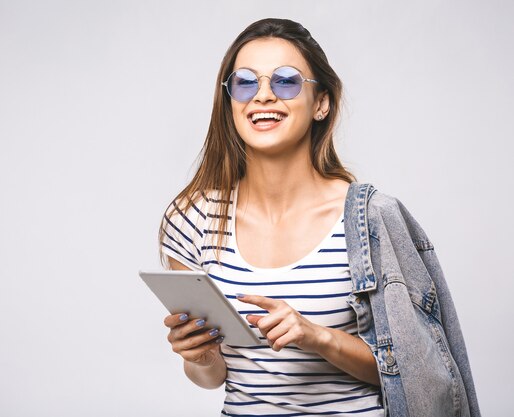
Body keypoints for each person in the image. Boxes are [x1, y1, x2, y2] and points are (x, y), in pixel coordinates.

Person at [158, 18, 480, 417]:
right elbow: (212, 377)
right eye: (244, 82)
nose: (262, 96)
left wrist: (316, 336)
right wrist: (200, 358)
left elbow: (417, 375)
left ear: (322, 103)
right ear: (229, 101)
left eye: (286, 81)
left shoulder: (369, 220)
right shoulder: (193, 219)